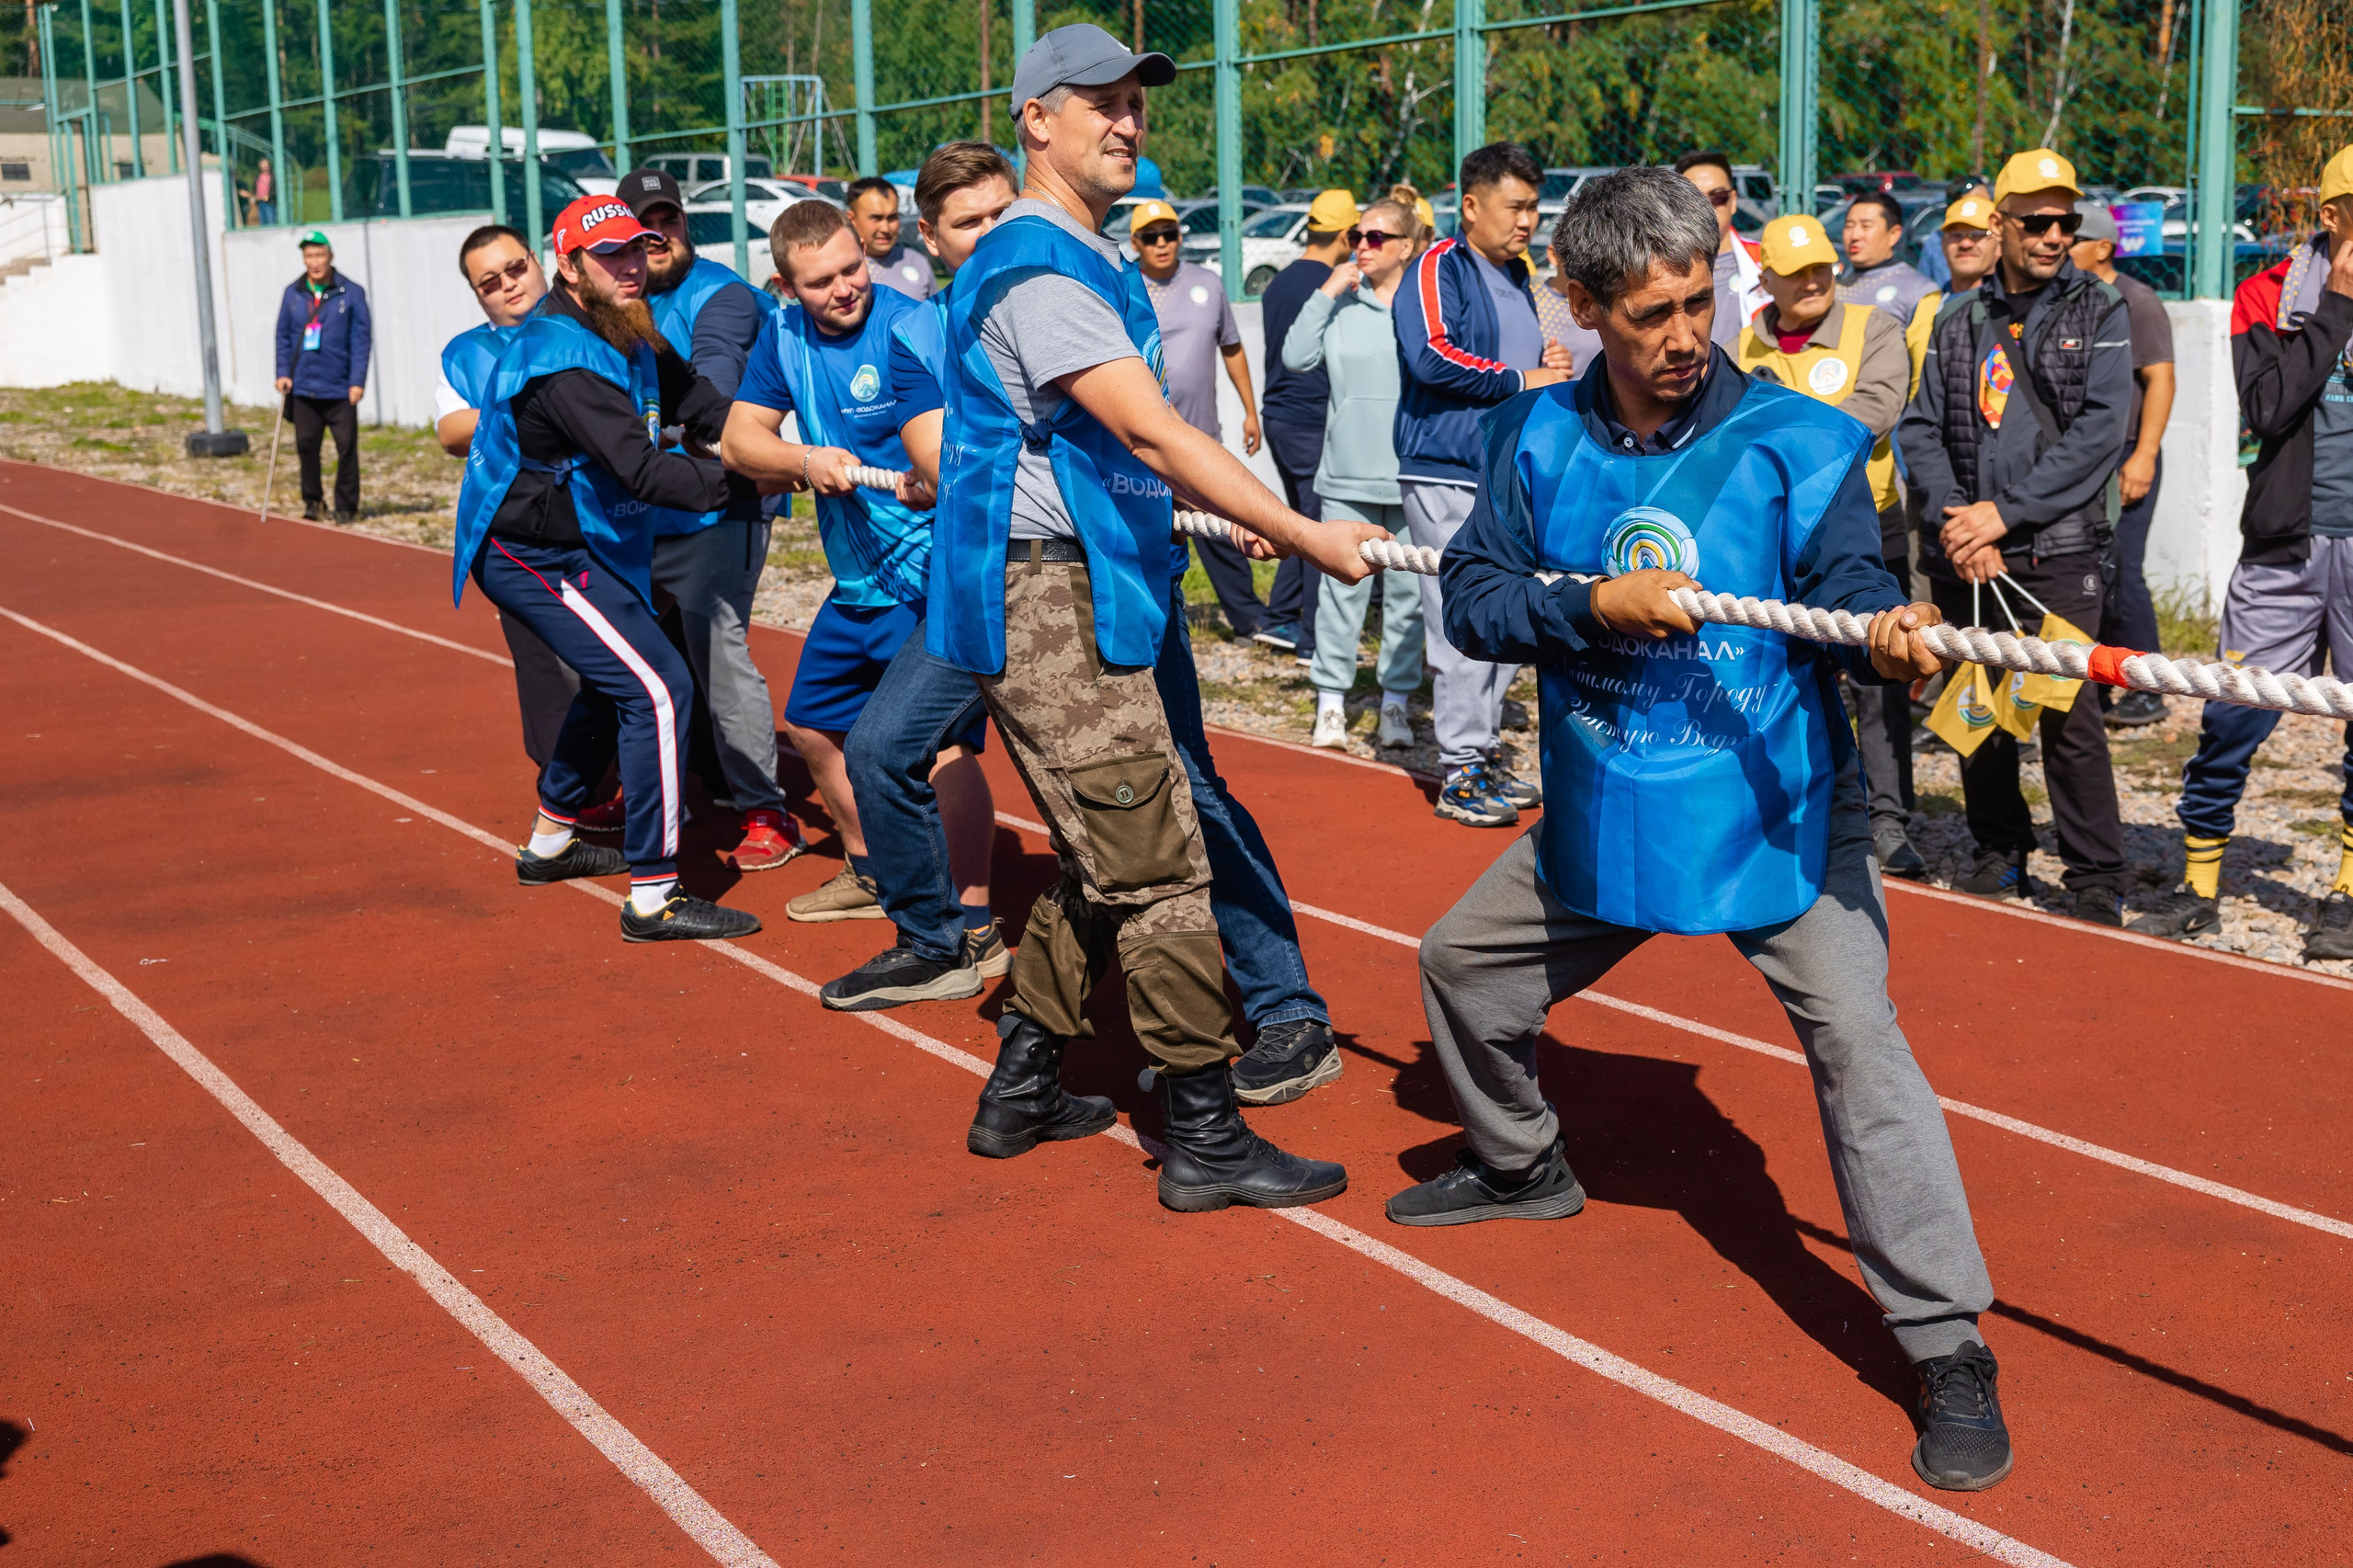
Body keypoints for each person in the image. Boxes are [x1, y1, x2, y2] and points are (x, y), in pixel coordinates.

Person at [1392, 165, 2012, 1496]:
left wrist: (1884, 635)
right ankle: (1523, 1163)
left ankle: (1947, 1339)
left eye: (1698, 303)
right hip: (1612, 808)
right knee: (1458, 965)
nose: (1683, 339)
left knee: (1859, 1037)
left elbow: (1845, 577)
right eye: (1648, 315)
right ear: (1583, 306)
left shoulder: (1798, 435)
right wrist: (1593, 609)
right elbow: (1478, 598)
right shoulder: (1533, 439)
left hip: (1780, 812)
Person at [933, 24, 1385, 1203]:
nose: (1127, 119)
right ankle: (1204, 1133)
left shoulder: (1082, 252)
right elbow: (1153, 429)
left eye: (1136, 101)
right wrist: (1301, 533)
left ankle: (1023, 1081)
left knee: (1107, 850)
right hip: (1044, 595)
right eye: (1099, 101)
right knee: (1160, 860)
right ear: (1035, 118)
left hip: (1093, 582)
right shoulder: (1037, 263)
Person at [451, 195, 761, 943]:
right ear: (570, 265)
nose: (633, 267)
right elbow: (645, 474)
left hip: (588, 543)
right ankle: (654, 895)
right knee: (659, 689)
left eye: (639, 249)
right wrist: (762, 480)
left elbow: (701, 402)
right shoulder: (560, 357)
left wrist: (777, 436)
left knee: (617, 680)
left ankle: (552, 842)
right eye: (612, 255)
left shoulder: (630, 326)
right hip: (533, 552)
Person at [717, 199, 985, 929]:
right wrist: (804, 459)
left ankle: (971, 915)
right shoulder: (782, 336)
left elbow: (955, 444)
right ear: (784, 284)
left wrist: (933, 474)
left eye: (851, 268)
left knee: (941, 751)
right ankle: (871, 872)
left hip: (931, 572)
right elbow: (740, 443)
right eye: (821, 281)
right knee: (813, 727)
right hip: (859, 579)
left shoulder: (911, 324)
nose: (844, 288)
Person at [1896, 148, 2131, 923]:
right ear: (1999, 224)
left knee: (2068, 715)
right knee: (1980, 706)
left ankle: (2095, 874)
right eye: (2037, 220)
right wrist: (1961, 521)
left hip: (2060, 551)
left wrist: (2008, 513)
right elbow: (1922, 429)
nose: (2056, 234)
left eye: (2067, 219)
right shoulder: (1958, 317)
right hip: (1972, 548)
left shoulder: (2100, 309)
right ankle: (2000, 851)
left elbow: (2100, 434)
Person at [2131, 144, 2353, 961]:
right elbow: (2267, 406)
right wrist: (2336, 305)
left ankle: (2346, 895)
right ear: (2331, 217)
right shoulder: (2267, 295)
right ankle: (2197, 889)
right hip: (2283, 546)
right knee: (2230, 715)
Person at [820, 142, 1023, 1012]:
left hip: (1090, 580)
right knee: (875, 747)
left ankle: (1279, 1002)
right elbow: (950, 464)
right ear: (930, 239)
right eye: (967, 223)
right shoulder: (920, 334)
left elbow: (1149, 427)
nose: (987, 235)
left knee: (1164, 792)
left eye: (999, 216)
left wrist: (1251, 514)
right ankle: (934, 937)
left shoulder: (1079, 296)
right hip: (975, 581)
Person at [619, 167, 809, 874]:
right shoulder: (616, 301)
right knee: (628, 660)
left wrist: (619, 434)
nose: (655, 238)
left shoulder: (723, 297)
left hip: (719, 507)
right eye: (639, 230)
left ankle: (766, 807)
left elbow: (717, 409)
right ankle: (669, 787)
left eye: (665, 222)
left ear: (684, 225)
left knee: (717, 652)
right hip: (640, 509)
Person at [1736, 213, 1926, 878]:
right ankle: (1791, 803)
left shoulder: (1871, 327)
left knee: (1878, 679)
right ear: (1768, 280)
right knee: (1781, 673)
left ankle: (1889, 820)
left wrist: (1783, 438)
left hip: (1866, 528)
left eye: (1821, 266)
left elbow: (1876, 407)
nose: (1815, 280)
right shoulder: (1742, 344)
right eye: (1797, 273)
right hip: (1775, 540)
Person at [1392, 141, 1569, 826]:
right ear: (1471, 206)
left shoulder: (1518, 275)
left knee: (1504, 621)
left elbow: (1514, 364)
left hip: (1504, 476)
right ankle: (1460, 768)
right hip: (1444, 468)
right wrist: (1522, 378)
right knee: (1459, 619)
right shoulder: (1441, 265)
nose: (1527, 220)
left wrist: (1542, 360)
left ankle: (1484, 750)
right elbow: (1432, 357)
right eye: (1515, 206)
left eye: (1534, 207)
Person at [432, 222, 626, 824]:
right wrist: (521, 401)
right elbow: (449, 430)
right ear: (477, 295)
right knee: (545, 663)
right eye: (490, 282)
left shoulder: (586, 324)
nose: (508, 285)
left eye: (516, 268)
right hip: (522, 531)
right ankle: (569, 792)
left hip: (608, 519)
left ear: (540, 263)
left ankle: (635, 776)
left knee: (626, 658)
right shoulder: (467, 353)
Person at [1282, 194, 1425, 752]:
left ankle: (1395, 702)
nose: (1362, 246)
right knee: (1341, 596)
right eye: (1358, 237)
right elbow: (1295, 358)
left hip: (1411, 476)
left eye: (1376, 238)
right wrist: (1325, 292)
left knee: (1409, 599)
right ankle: (1332, 704)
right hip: (1344, 477)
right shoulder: (1340, 306)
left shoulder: (1423, 311)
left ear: (1407, 247)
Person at [1131, 198, 1267, 639]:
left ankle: (1248, 617)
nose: (1162, 243)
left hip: (1198, 434)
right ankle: (1152, 618)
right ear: (1136, 243)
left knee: (1219, 526)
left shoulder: (1207, 283)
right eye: (1151, 237)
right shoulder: (1122, 285)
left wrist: (1250, 410)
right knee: (1149, 534)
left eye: (1169, 233)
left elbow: (1231, 347)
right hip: (1138, 442)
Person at [2068, 199, 2177, 729]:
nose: (2059, 245)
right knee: (2088, 576)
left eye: (2072, 238)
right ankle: (2102, 681)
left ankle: (2147, 686)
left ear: (2102, 247)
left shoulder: (2137, 301)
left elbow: (2160, 379)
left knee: (2122, 573)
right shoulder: (2072, 300)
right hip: (2081, 465)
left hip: (2126, 461)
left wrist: (2144, 456)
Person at [1251, 187, 1360, 657]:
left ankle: (1280, 619)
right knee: (1321, 530)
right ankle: (1314, 639)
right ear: (1347, 234)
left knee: (1302, 521)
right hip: (1312, 420)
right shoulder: (1336, 284)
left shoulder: (1278, 280)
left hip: (1278, 415)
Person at [273, 231, 370, 525]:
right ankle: (313, 501)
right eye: (309, 256)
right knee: (306, 447)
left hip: (339, 387)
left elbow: (361, 339)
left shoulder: (351, 292)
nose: (314, 262)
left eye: (320, 255)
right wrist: (282, 373)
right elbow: (283, 336)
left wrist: (357, 381)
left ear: (331, 257)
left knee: (346, 448)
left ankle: (346, 505)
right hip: (304, 386)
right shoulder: (293, 293)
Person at [1675, 149, 1768, 349]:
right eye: (1695, 200)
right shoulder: (1656, 269)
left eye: (1718, 198)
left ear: (1733, 201)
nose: (1708, 208)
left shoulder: (1768, 262)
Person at [1838, 190, 1937, 325]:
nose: (1854, 235)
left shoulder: (1919, 291)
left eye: (1866, 226)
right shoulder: (1833, 288)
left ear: (1893, 234)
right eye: (1849, 226)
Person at [846, 176, 935, 301]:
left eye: (892, 217)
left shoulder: (918, 262)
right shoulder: (839, 268)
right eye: (876, 218)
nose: (886, 229)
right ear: (851, 219)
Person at [253, 156, 275, 226]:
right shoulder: (258, 176)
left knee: (271, 222)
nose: (265, 169)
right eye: (263, 167)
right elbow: (255, 187)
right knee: (263, 223)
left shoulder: (273, 176)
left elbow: (275, 189)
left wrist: (268, 196)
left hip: (270, 203)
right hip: (260, 202)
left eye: (266, 166)